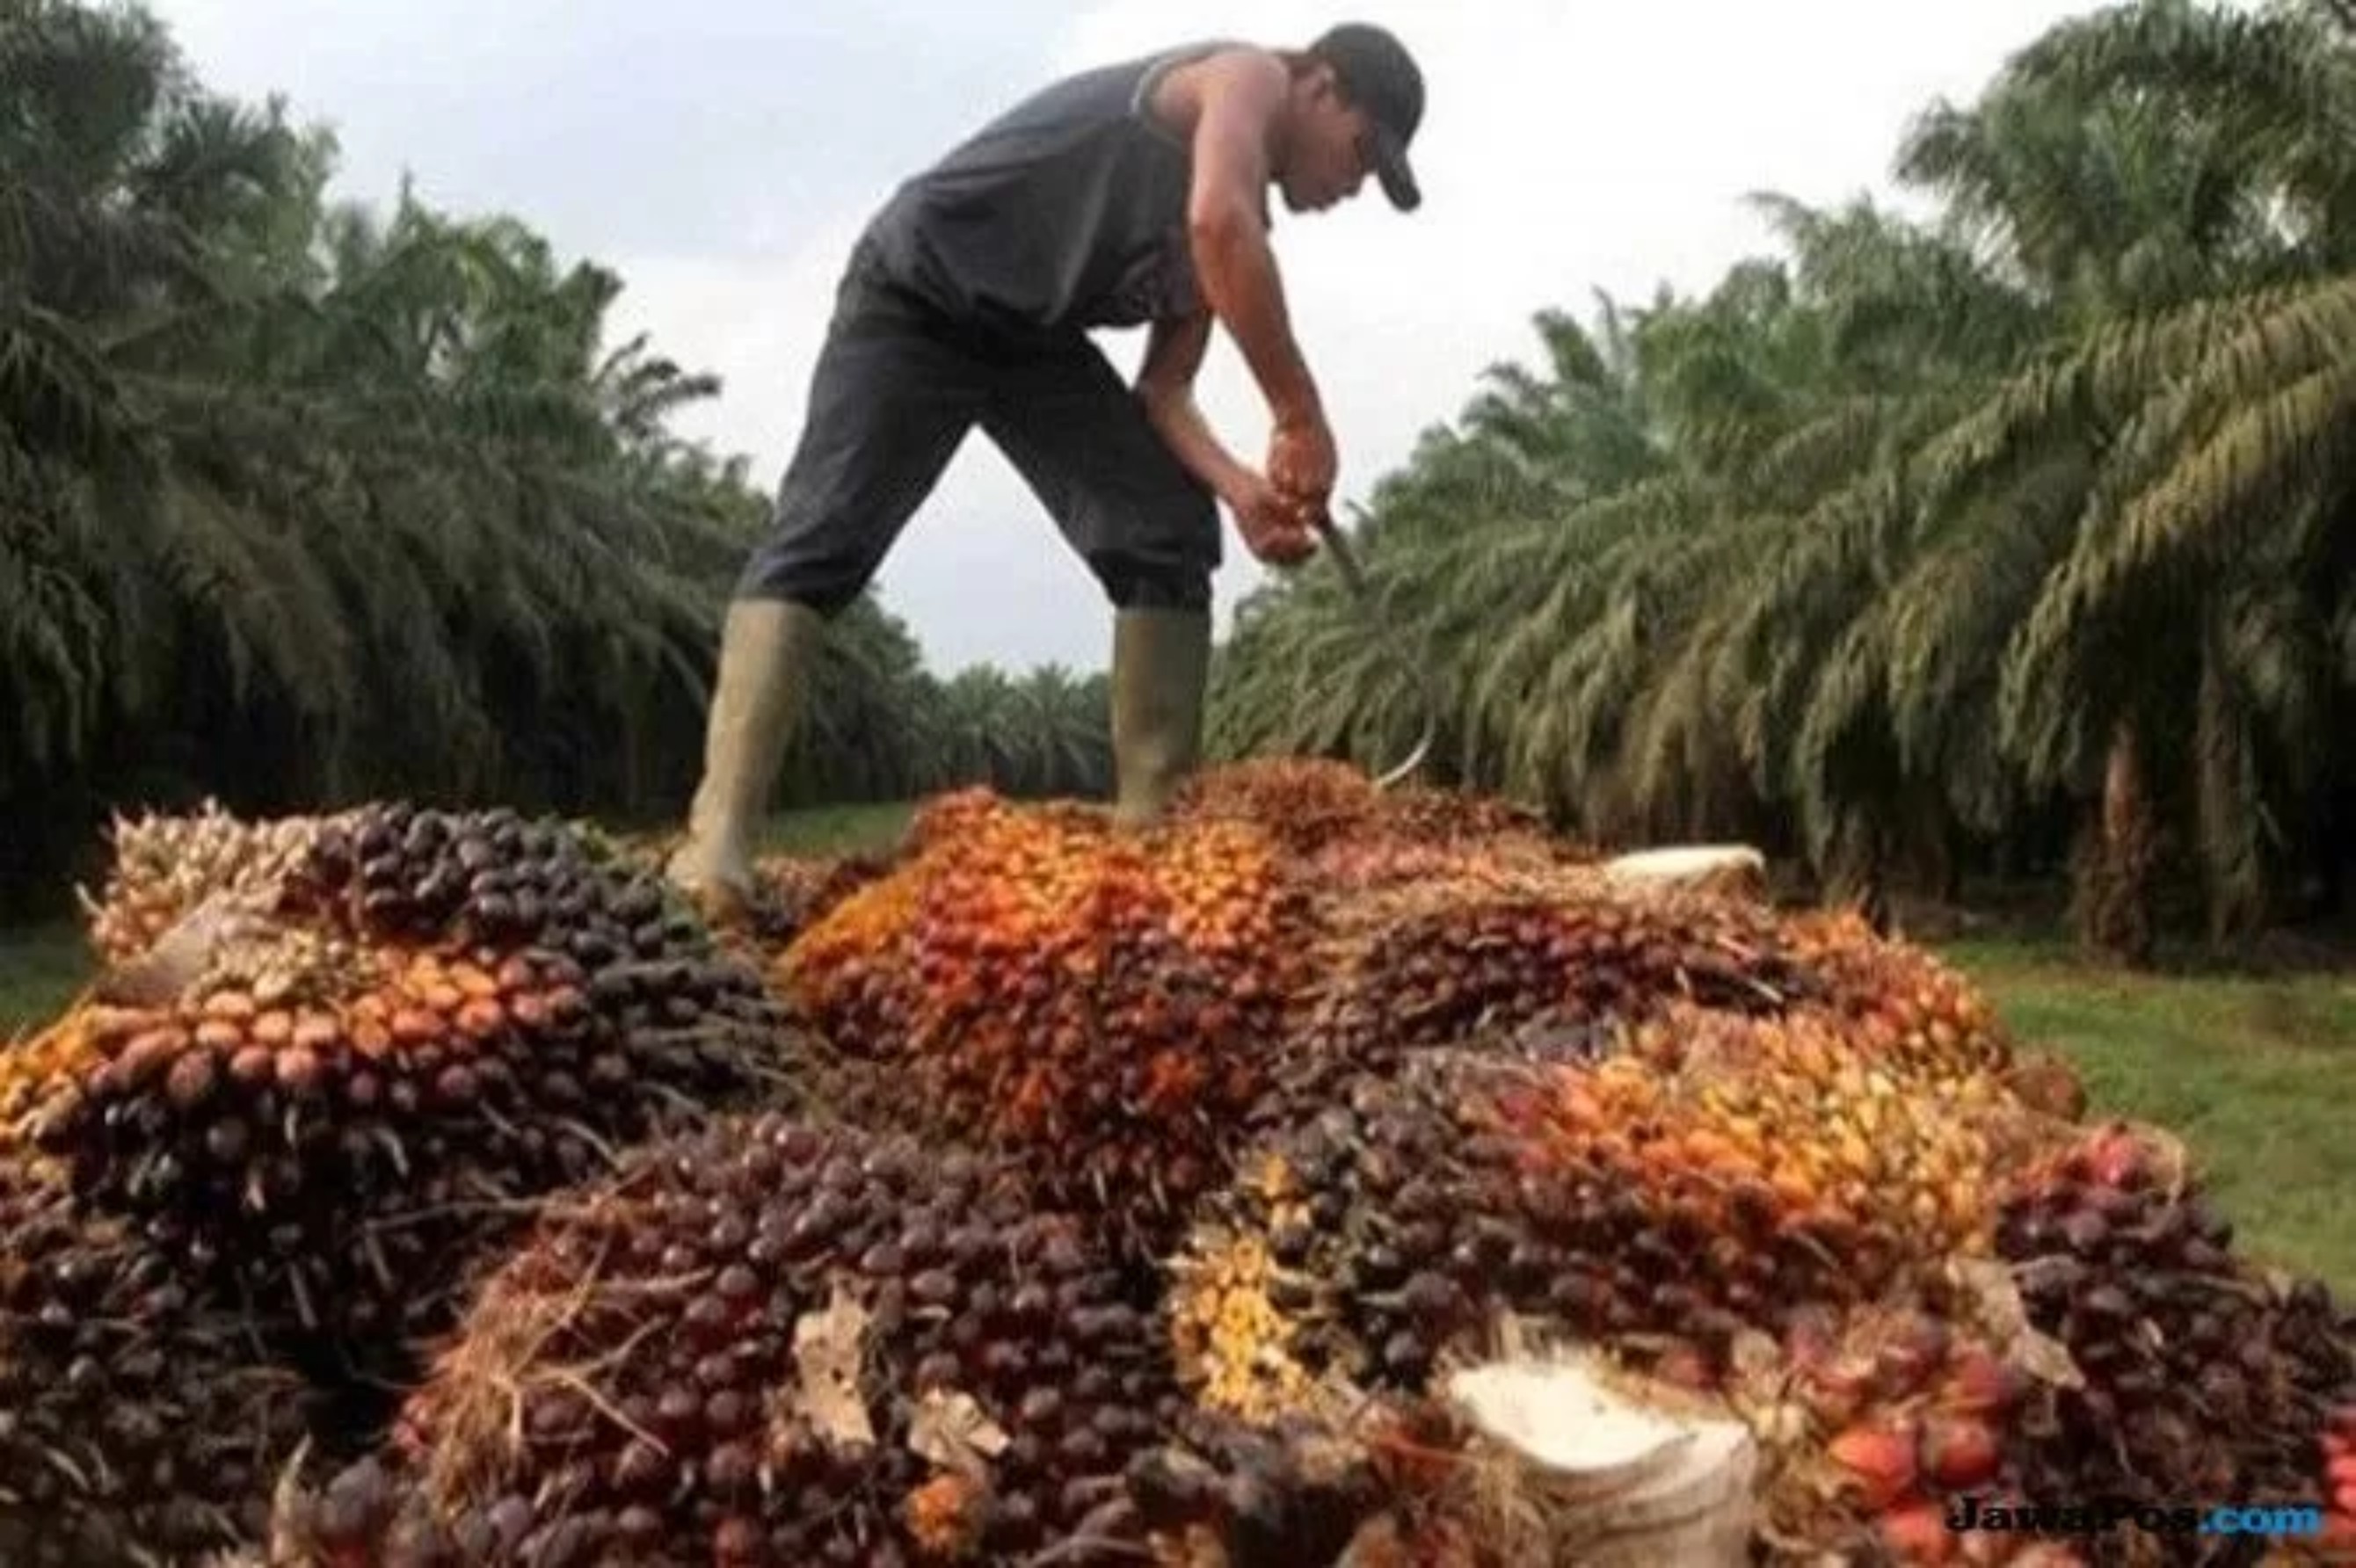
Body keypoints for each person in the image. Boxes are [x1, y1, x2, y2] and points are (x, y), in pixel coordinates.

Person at [665, 22, 1427, 922]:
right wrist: (1297, 414)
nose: (1351, 186)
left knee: (1165, 524)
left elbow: (1165, 393)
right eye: (1360, 153)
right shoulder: (1247, 76)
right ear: (1321, 86)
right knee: (824, 535)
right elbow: (1216, 220)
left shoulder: (1231, 236)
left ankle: (1154, 852)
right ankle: (717, 847)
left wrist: (1240, 493)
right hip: (918, 292)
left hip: (1029, 341)